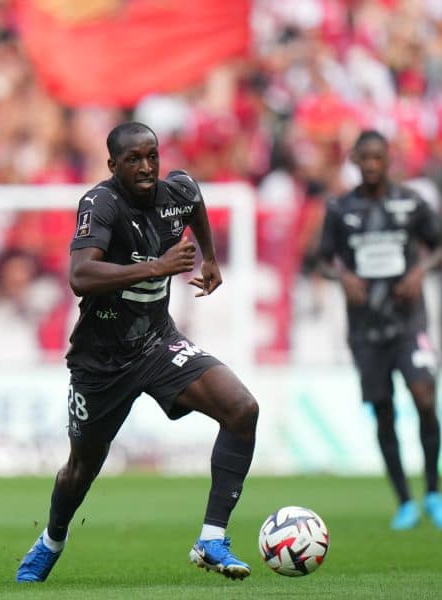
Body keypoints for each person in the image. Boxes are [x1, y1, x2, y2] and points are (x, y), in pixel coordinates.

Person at [15, 122, 259, 582]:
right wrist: (158, 266)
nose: (146, 167)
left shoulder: (177, 191)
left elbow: (195, 204)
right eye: (134, 159)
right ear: (113, 165)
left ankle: (211, 539)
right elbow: (81, 276)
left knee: (242, 408)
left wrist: (209, 257)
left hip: (157, 342)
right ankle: (52, 539)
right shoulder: (100, 203)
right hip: (101, 360)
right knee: (81, 468)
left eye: (152, 156)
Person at [317, 130, 442, 531]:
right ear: (354, 159)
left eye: (378, 157)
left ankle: (433, 492)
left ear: (389, 159)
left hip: (408, 321)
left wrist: (420, 271)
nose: (372, 165)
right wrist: (341, 277)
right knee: (383, 412)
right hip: (365, 327)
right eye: (364, 158)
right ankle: (404, 501)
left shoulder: (410, 203)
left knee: (424, 397)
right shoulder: (340, 208)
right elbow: (321, 260)